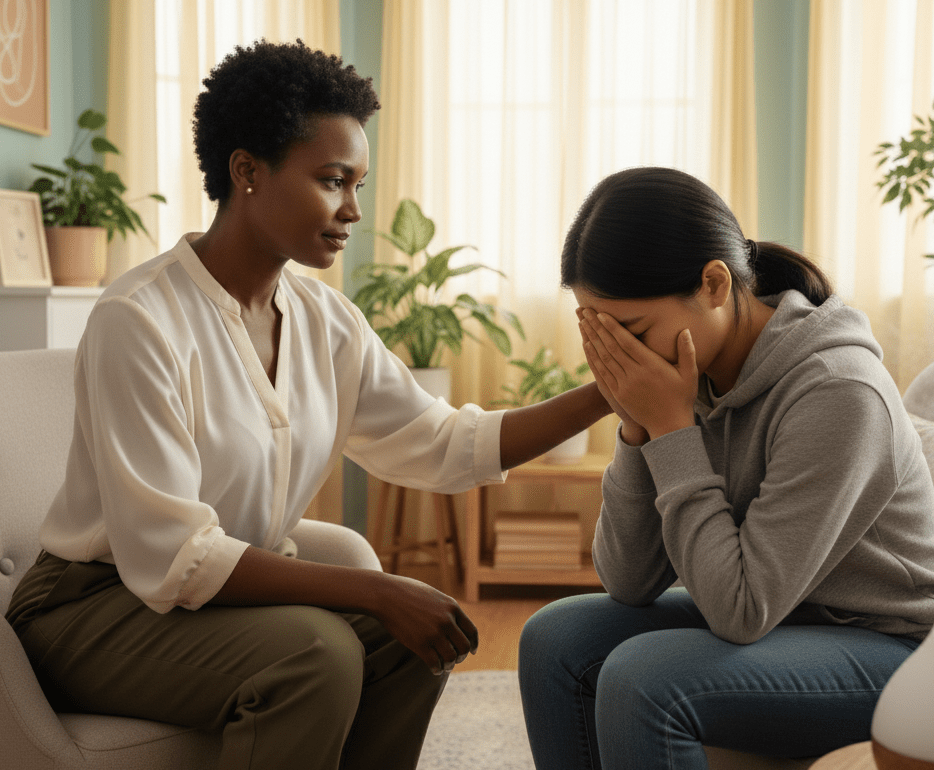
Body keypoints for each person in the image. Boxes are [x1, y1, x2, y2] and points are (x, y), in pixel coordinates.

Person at [4, 41, 612, 770]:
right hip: (91, 611)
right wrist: (379, 588)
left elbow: (445, 444)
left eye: (358, 184)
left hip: (208, 604)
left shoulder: (326, 321)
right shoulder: (139, 319)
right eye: (333, 181)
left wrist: (607, 395)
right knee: (317, 655)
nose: (353, 209)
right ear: (247, 172)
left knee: (411, 646)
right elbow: (175, 557)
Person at [518, 166, 934, 769]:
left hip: (897, 650)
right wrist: (636, 430)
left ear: (714, 284)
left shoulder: (838, 389)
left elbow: (740, 612)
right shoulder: (694, 374)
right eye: (600, 333)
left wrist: (670, 429)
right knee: (556, 638)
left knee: (644, 679)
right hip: (791, 619)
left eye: (633, 332)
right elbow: (629, 582)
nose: (622, 357)